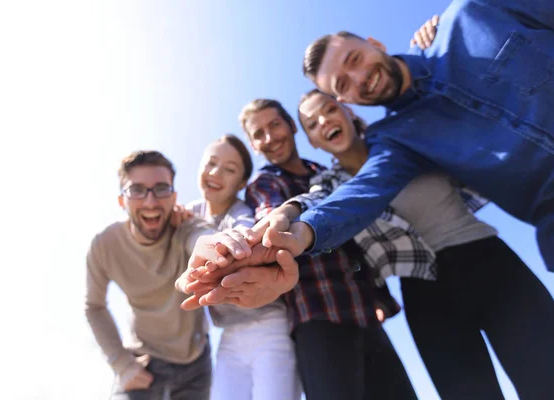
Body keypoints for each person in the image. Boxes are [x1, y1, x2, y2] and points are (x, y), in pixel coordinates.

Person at [284, 90, 554, 399]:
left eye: (329, 109)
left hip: (490, 265)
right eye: (312, 124)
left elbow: (441, 104)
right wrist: (285, 213)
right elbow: (310, 203)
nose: (324, 121)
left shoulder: (403, 137)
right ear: (314, 143)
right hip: (425, 295)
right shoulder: (330, 186)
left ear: (348, 111)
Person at [289, 0, 554, 271]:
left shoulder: (473, 14)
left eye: (355, 59)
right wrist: (302, 232)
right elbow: (363, 191)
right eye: (343, 84)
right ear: (345, 99)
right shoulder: (396, 139)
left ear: (376, 44)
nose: (360, 78)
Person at [182, 99, 417, 400]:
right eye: (259, 134)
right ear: (254, 145)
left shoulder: (325, 172)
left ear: (292, 126)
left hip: (362, 311)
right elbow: (271, 219)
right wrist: (280, 223)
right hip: (316, 317)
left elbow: (359, 241)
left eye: (275, 125)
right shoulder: (265, 183)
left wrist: (380, 296)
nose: (270, 138)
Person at [85, 151, 215, 400]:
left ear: (174, 197)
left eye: (161, 189)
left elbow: (203, 237)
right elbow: (93, 306)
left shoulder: (184, 226)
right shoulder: (105, 245)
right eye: (137, 190)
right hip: (142, 363)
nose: (150, 201)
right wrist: (121, 364)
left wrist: (214, 245)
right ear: (122, 201)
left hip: (196, 363)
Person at [186, 134, 301, 400]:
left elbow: (244, 229)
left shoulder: (240, 212)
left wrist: (232, 241)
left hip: (271, 326)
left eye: (230, 169)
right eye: (211, 163)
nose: (215, 173)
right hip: (228, 334)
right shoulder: (188, 213)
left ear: (241, 183)